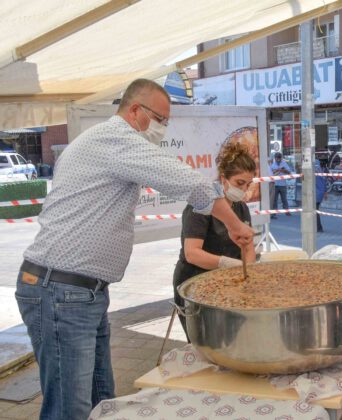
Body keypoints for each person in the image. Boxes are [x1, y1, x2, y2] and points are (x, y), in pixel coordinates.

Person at [14, 78, 254, 420]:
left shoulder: (102, 143)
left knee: (103, 401)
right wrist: (234, 224)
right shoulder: (115, 138)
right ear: (135, 111)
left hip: (83, 291)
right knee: (70, 408)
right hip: (61, 290)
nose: (162, 128)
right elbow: (188, 181)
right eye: (160, 119)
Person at [173, 142, 257, 341]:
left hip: (228, 284)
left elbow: (248, 247)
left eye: (248, 184)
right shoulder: (200, 207)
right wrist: (227, 264)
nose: (244, 189)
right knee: (206, 344)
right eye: (239, 183)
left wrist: (249, 269)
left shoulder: (241, 208)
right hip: (195, 281)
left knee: (233, 341)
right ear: (223, 179)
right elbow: (192, 253)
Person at [270, 152, 293, 218]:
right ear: (275, 158)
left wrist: (283, 170)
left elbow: (289, 172)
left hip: (283, 184)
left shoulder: (284, 163)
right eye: (277, 158)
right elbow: (271, 173)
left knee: (284, 199)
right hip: (275, 184)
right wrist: (277, 170)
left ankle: (286, 211)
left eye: (279, 158)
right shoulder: (272, 164)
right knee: (274, 200)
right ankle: (274, 213)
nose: (278, 159)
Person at [315, 159, 327, 232]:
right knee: (316, 210)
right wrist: (325, 193)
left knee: (315, 211)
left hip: (316, 194)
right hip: (320, 194)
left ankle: (319, 227)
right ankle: (318, 227)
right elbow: (324, 183)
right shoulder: (321, 172)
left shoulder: (314, 174)